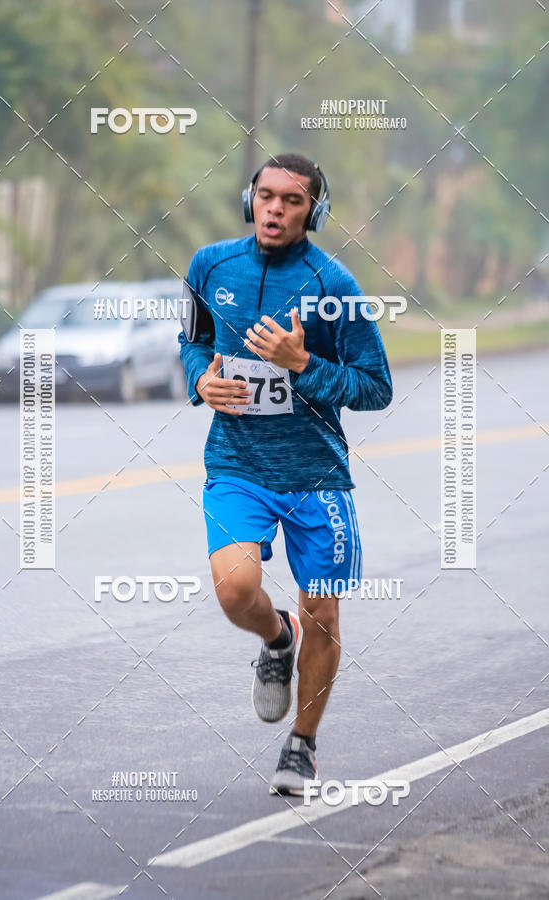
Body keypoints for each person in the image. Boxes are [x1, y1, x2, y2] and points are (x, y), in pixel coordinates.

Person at [178, 152, 392, 796]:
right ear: (250, 200)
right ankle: (277, 639)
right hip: (237, 463)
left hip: (316, 476)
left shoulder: (335, 286)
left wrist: (303, 364)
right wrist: (202, 380)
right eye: (266, 196)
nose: (275, 209)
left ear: (314, 211)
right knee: (235, 591)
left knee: (323, 612)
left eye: (292, 200)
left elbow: (375, 388)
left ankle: (302, 745)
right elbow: (192, 342)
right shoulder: (210, 266)